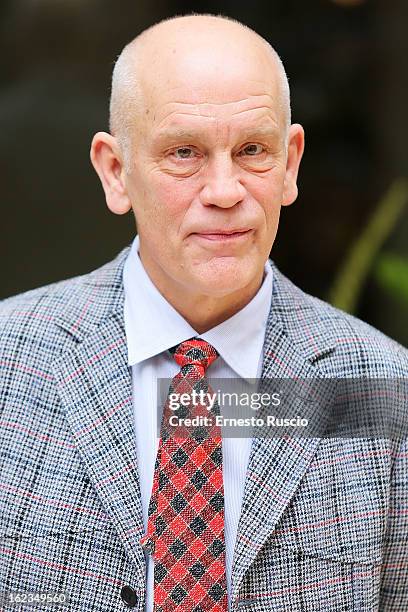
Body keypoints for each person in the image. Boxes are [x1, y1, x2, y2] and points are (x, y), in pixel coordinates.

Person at [0, 13, 407, 612]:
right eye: (184, 152)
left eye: (252, 151)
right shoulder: (10, 361)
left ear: (291, 162)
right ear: (116, 172)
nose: (224, 189)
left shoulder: (381, 387)